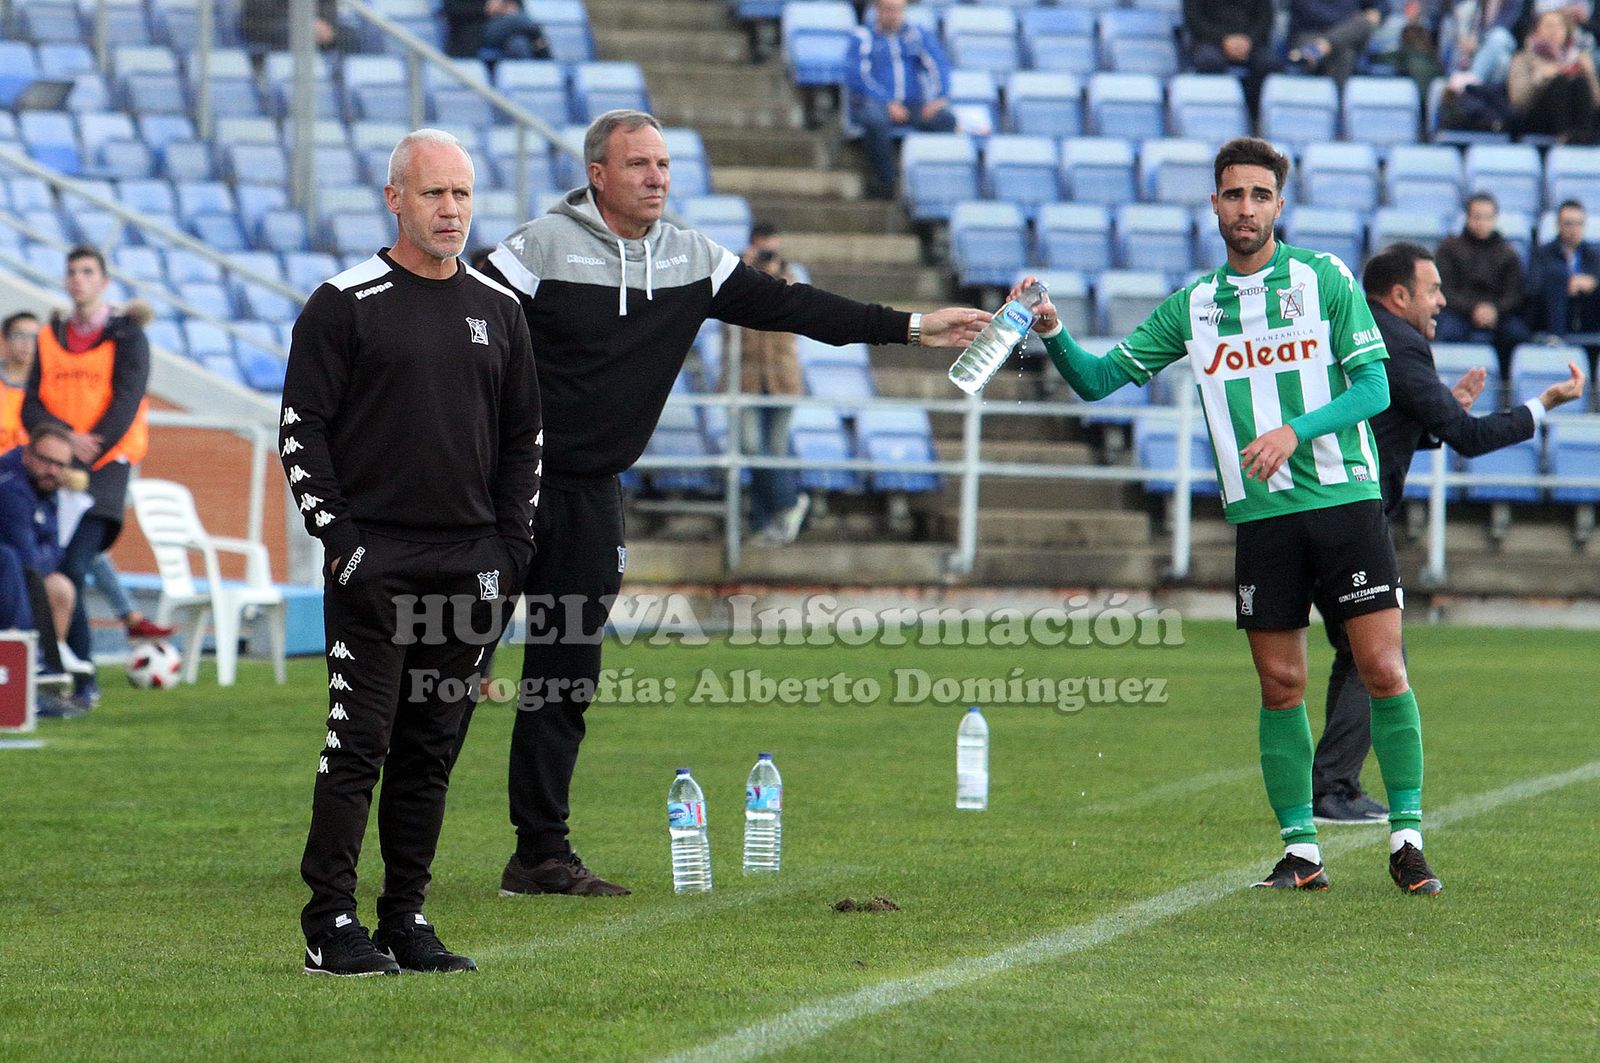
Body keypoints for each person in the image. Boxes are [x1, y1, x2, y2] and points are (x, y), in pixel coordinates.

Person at [471, 109, 986, 897]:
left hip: (592, 496)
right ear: (597, 175)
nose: (657, 177)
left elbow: (798, 309)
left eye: (664, 164)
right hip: (502, 490)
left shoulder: (692, 258)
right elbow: (457, 323)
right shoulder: (537, 247)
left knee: (564, 681)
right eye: (638, 164)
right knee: (449, 674)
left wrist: (914, 327)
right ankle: (402, 855)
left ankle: (540, 855)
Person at [1013, 137, 1442, 895]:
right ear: (1214, 205)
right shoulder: (1194, 306)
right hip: (1263, 518)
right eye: (1234, 194)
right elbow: (1098, 380)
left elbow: (1374, 389)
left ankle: (1406, 839)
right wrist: (1052, 328)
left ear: (1279, 205)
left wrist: (1294, 431)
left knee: (1382, 667)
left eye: (1260, 195)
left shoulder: (1323, 277)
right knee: (1280, 684)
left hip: (1344, 502)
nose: (1247, 208)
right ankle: (1302, 852)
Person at [281, 128, 541, 976]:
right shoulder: (343, 303)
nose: (451, 209)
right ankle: (329, 922)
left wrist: (510, 551)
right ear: (395, 198)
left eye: (462, 193)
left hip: (469, 570)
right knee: (358, 744)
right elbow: (300, 431)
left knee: (431, 748)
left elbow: (524, 441)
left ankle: (404, 917)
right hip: (376, 565)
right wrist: (344, 544)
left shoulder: (500, 310)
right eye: (434, 193)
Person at [1310, 243, 1586, 823]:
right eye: (1432, 290)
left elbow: (1380, 424)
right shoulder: (1399, 342)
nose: (1442, 302)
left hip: (1318, 511)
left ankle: (1334, 786)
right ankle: (1333, 789)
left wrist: (1440, 413)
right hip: (1352, 519)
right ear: (1399, 295)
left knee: (1359, 653)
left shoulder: (1361, 332)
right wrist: (1544, 404)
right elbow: (1471, 438)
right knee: (1378, 656)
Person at [22, 247, 152, 711]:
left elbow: (127, 400)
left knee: (73, 567)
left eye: (87, 271)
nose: (78, 279)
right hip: (55, 469)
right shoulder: (50, 336)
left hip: (105, 468)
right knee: (57, 570)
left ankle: (73, 675)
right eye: (72, 272)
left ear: (103, 281)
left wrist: (85, 447)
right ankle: (76, 678)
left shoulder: (128, 334)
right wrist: (63, 441)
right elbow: (31, 403)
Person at [722, 224, 808, 544]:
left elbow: (796, 308)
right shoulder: (736, 273)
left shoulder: (790, 277)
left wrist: (774, 273)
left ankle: (764, 523)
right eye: (763, 250)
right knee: (751, 448)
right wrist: (746, 267)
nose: (769, 255)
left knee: (774, 450)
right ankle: (788, 504)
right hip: (745, 377)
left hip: (782, 378)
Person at [0, 424, 87, 719]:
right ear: (28, 454)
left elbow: (53, 548)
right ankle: (33, 671)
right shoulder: (12, 488)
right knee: (17, 566)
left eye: (60, 465)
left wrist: (45, 554)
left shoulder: (46, 487)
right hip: (10, 573)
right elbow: (29, 559)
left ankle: (47, 677)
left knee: (60, 586)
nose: (52, 470)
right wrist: (45, 554)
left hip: (16, 572)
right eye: (45, 461)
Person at [845, 0, 958, 200]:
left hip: (911, 105)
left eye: (898, 10)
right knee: (876, 120)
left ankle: (934, 188)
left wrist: (940, 97)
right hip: (872, 104)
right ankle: (886, 182)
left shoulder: (916, 35)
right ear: (877, 10)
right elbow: (858, 76)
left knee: (946, 120)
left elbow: (938, 64)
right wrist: (887, 102)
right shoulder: (863, 36)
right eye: (889, 10)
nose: (894, 15)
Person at [1433, 193, 1532, 375]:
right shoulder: (1449, 249)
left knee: (1518, 334)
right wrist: (1474, 309)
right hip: (1458, 312)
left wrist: (1494, 310)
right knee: (1448, 331)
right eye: (1477, 217)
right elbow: (1444, 289)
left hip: (1499, 315)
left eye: (1487, 217)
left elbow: (1515, 294)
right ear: (1467, 217)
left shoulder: (1508, 253)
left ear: (1495, 219)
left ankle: (1506, 382)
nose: (1482, 223)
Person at [1508, 7, 1600, 140]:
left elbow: (1596, 102)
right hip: (1539, 119)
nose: (1554, 31)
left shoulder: (1579, 57)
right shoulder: (1523, 58)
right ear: (1536, 31)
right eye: (1549, 26)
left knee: (1579, 82)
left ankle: (1583, 138)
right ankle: (1562, 137)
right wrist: (1539, 78)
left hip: (1579, 120)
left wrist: (1589, 73)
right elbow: (1518, 101)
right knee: (1559, 81)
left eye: (1559, 26)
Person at [1183, 0, 1279, 120]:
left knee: (1268, 63)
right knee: (1209, 62)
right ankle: (1216, 116)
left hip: (1250, 42)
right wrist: (1224, 40)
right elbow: (1194, 20)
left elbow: (1265, 19)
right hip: (1209, 40)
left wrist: (1248, 41)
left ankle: (1256, 118)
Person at [1527, 199, 1600, 334]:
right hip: (1549, 318)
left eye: (1579, 223)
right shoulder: (1542, 253)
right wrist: (1565, 283)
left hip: (1587, 316)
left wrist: (1592, 283)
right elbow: (1533, 289)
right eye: (1568, 224)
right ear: (1558, 224)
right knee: (1556, 274)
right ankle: (1556, 337)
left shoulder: (1594, 255)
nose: (1574, 229)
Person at [1288, 0, 1385, 82]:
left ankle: (1324, 46)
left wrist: (1377, 12)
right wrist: (1349, 18)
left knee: (1364, 23)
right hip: (1310, 34)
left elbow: (1382, 5)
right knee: (1345, 53)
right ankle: (1341, 100)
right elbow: (1308, 13)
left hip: (1344, 35)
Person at [443, 0, 551, 61]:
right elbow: (453, 9)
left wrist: (510, 8)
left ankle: (527, 87)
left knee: (519, 44)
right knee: (520, 19)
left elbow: (518, 6)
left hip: (507, 28)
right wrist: (485, 8)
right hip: (475, 30)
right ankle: (545, 55)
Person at [241, 0, 358, 52]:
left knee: (351, 36)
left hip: (315, 28)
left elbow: (327, 7)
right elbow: (261, 10)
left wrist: (325, 27)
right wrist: (306, 22)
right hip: (267, 24)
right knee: (301, 34)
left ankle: (340, 89)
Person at [1, 311, 39, 454]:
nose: (27, 343)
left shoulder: (43, 391)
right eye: (19, 335)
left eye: (34, 337)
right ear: (4, 338)